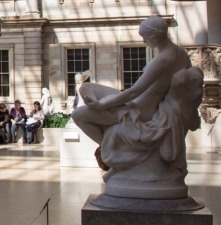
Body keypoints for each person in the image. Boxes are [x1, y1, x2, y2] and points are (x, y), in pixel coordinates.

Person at [72, 17, 191, 147]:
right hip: (139, 100)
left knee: (78, 115)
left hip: (139, 108)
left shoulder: (163, 59)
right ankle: (100, 109)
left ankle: (111, 149)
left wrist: (101, 105)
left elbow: (134, 92)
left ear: (154, 36)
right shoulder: (181, 53)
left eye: (145, 37)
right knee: (86, 87)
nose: (144, 41)